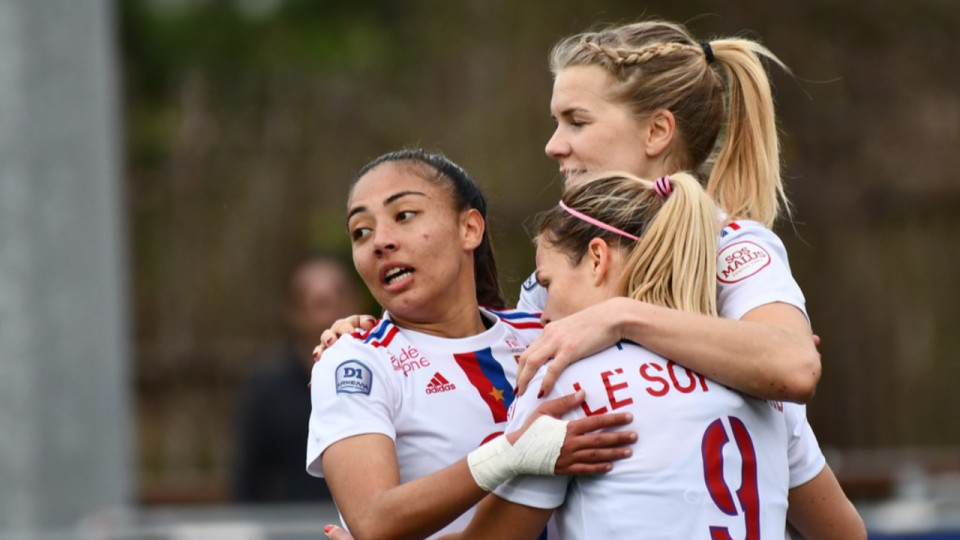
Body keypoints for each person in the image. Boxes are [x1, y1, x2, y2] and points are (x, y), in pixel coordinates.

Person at [429, 172, 865, 539]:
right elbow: (846, 533)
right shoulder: (758, 381)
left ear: (597, 259)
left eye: (548, 283)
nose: (542, 313)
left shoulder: (566, 383)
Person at [307, 149, 635, 540]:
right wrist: (510, 455)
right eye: (361, 231)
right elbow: (374, 521)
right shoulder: (354, 360)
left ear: (470, 229)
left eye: (404, 215)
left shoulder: (548, 333)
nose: (380, 242)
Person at [233, 253, 362, 502]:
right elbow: (247, 481)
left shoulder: (385, 372)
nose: (325, 313)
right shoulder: (265, 389)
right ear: (291, 310)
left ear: (354, 301)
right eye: (313, 301)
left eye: (335, 298)